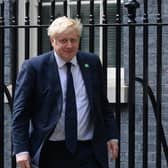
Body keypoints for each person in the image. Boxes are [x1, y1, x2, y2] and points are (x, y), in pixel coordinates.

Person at [12, 16, 119, 168]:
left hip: (89, 150)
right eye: (63, 40)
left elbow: (102, 104)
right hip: (50, 151)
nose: (69, 45)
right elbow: (20, 114)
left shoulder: (92, 62)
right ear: (52, 41)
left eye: (73, 40)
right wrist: (21, 149)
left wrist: (112, 135)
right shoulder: (34, 68)